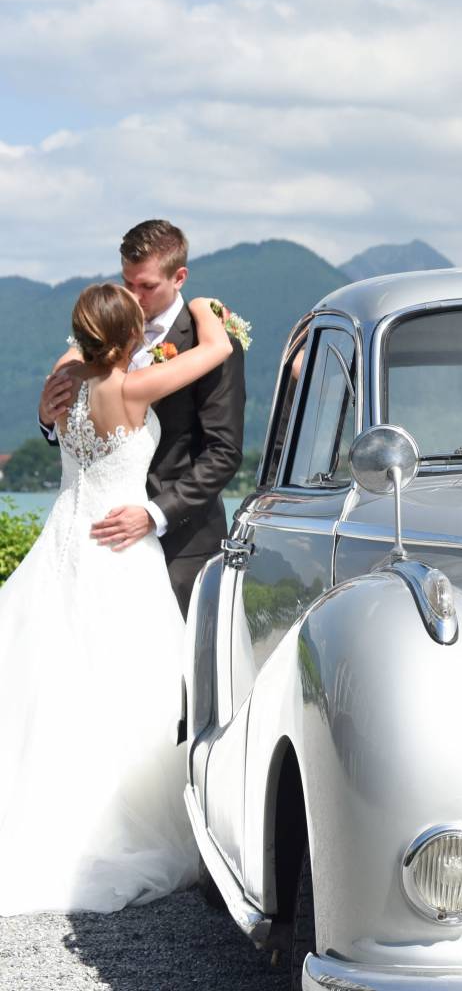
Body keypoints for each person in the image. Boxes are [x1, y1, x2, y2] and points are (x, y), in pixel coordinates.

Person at [0, 282, 232, 914]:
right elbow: (214, 349)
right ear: (130, 336)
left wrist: (62, 385)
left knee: (52, 675)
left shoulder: (65, 379)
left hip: (63, 540)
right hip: (119, 549)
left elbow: (66, 379)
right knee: (125, 680)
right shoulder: (132, 389)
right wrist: (205, 309)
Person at [37, 220, 246, 614]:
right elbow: (84, 427)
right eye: (127, 282)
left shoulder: (209, 339)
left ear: (179, 277)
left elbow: (223, 452)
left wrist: (155, 514)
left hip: (181, 544)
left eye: (146, 286)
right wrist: (48, 418)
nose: (133, 297)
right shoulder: (98, 339)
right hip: (95, 539)